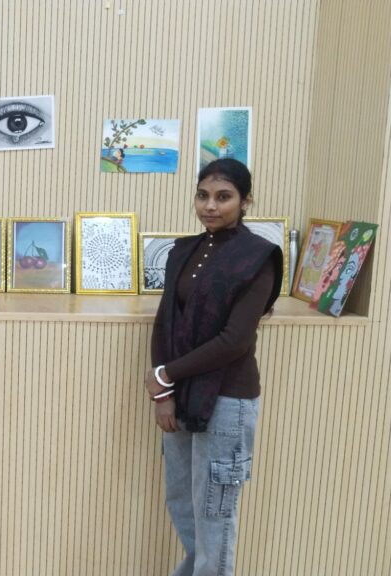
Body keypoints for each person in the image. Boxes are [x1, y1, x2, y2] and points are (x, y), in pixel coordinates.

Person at [144, 158, 282, 576]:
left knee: (214, 513)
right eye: (203, 195)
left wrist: (166, 374)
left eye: (224, 197)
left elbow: (234, 340)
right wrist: (165, 392)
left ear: (245, 201)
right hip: (182, 395)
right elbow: (166, 322)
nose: (210, 206)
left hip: (228, 400)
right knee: (182, 502)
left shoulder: (258, 257)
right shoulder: (183, 251)